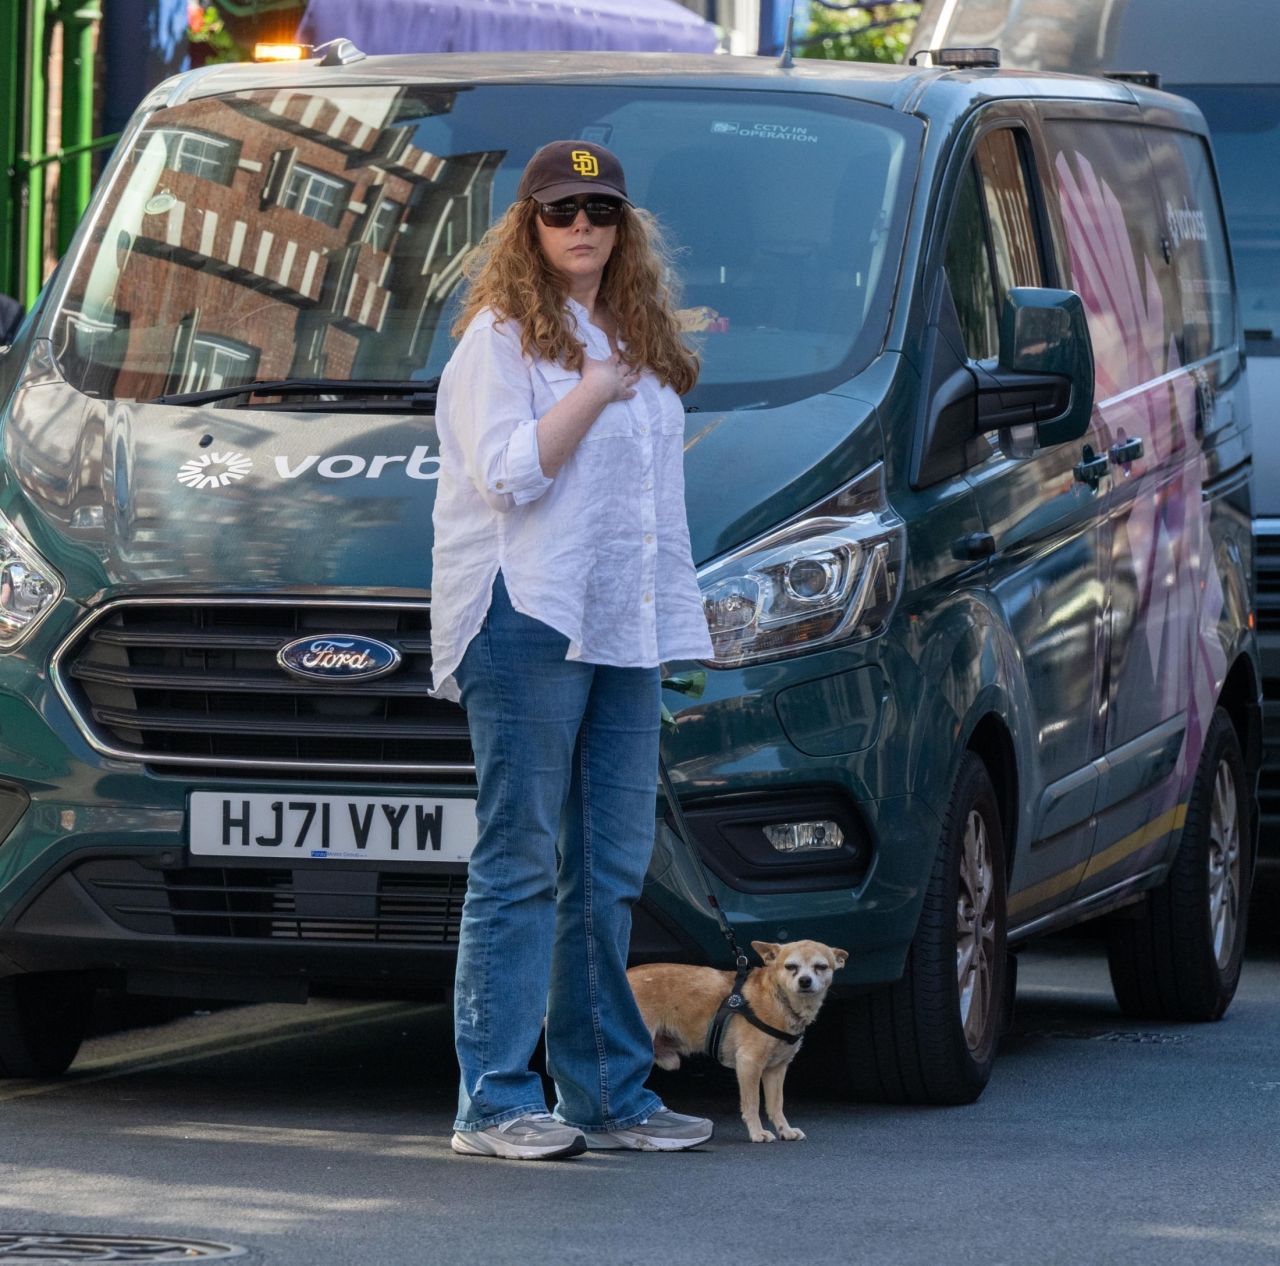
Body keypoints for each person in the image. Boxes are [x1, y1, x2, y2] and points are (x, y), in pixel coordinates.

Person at [430, 139, 715, 1160]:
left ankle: (605, 1096)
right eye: (561, 211)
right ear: (528, 226)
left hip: (618, 620)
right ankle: (494, 1102)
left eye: (599, 209)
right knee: (518, 863)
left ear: (622, 226)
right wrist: (593, 387)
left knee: (607, 867)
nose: (581, 226)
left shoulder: (629, 330)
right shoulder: (498, 342)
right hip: (524, 618)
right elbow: (509, 478)